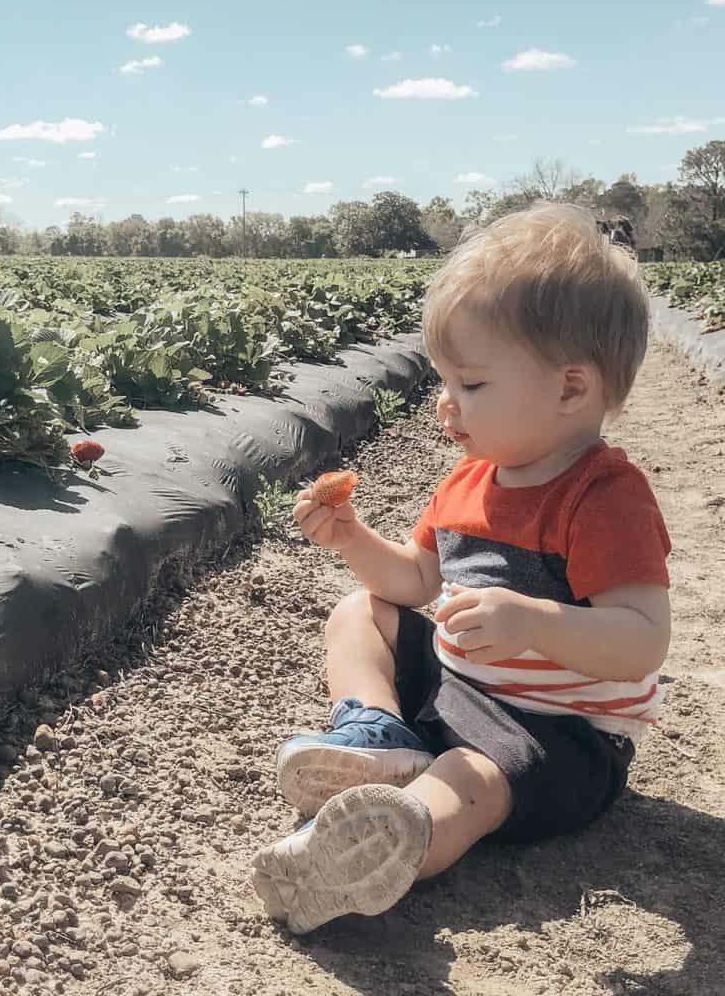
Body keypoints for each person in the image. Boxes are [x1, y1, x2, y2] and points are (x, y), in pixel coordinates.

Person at [250, 203, 672, 935]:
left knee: (469, 780)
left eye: (470, 384)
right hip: (456, 691)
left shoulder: (604, 498)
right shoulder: (468, 482)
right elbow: (414, 581)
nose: (446, 403)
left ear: (571, 388)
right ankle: (377, 734)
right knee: (361, 612)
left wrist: (533, 621)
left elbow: (641, 640)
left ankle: (387, 838)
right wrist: (353, 538)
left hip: (557, 735)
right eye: (445, 379)